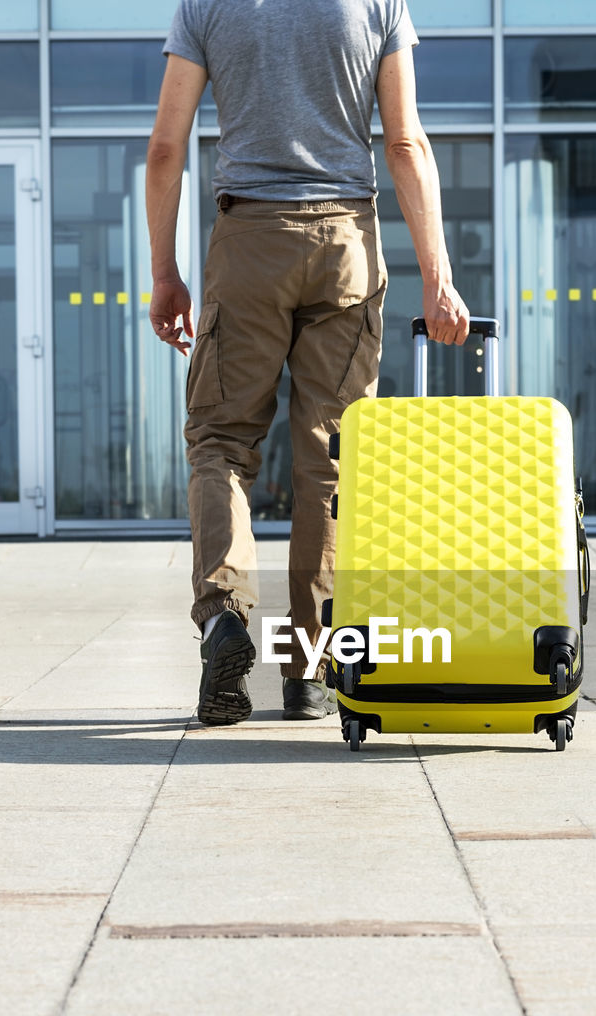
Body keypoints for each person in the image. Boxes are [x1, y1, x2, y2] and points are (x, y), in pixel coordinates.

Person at [146, 0, 469, 726]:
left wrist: (165, 274)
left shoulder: (207, 6)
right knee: (331, 460)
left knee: (222, 444)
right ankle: (309, 672)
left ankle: (225, 616)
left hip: (249, 243)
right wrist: (439, 277)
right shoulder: (378, 4)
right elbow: (405, 143)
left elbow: (166, 148)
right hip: (346, 243)